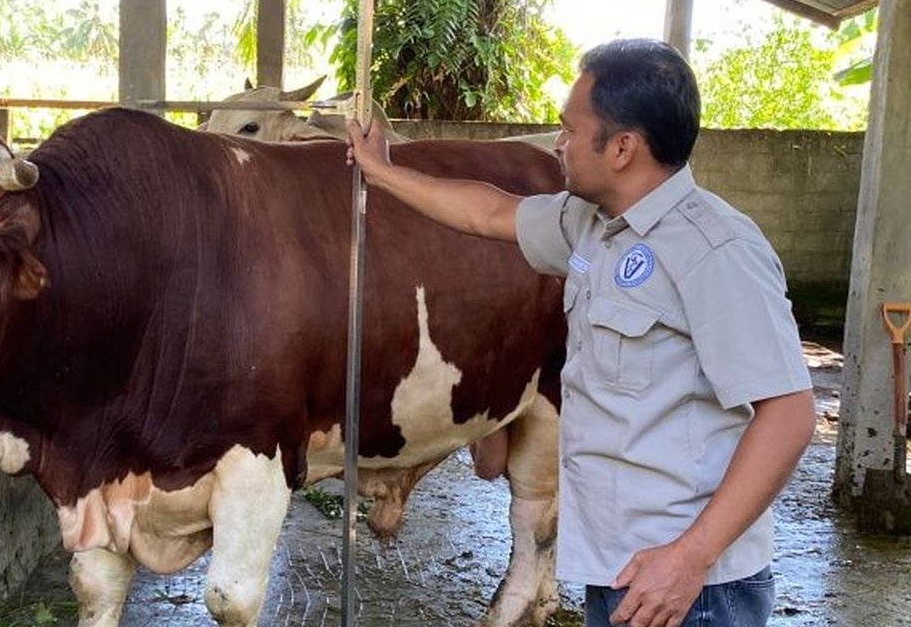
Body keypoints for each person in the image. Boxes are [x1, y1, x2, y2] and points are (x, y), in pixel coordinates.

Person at [346, 38, 816, 627]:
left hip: (688, 589)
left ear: (623, 147)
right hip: (615, 565)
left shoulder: (715, 250)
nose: (559, 143)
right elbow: (485, 212)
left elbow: (790, 412)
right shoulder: (591, 225)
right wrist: (382, 172)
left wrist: (691, 558)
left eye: (569, 128)